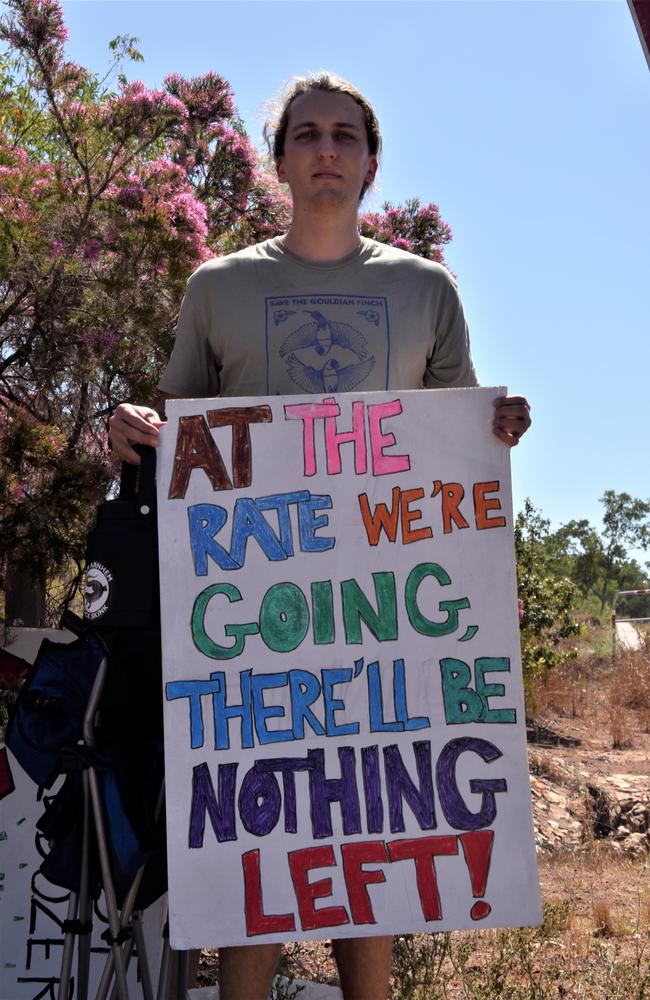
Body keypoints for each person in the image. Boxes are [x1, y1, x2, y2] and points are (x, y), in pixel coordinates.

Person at [109, 72, 531, 1000]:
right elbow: (178, 427)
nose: (327, 150)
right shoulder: (217, 287)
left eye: (345, 135)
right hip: (250, 623)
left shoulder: (427, 290)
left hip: (381, 621)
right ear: (282, 160)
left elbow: (455, 433)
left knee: (365, 841)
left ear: (373, 161)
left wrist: (495, 428)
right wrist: (131, 425)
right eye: (307, 135)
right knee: (258, 860)